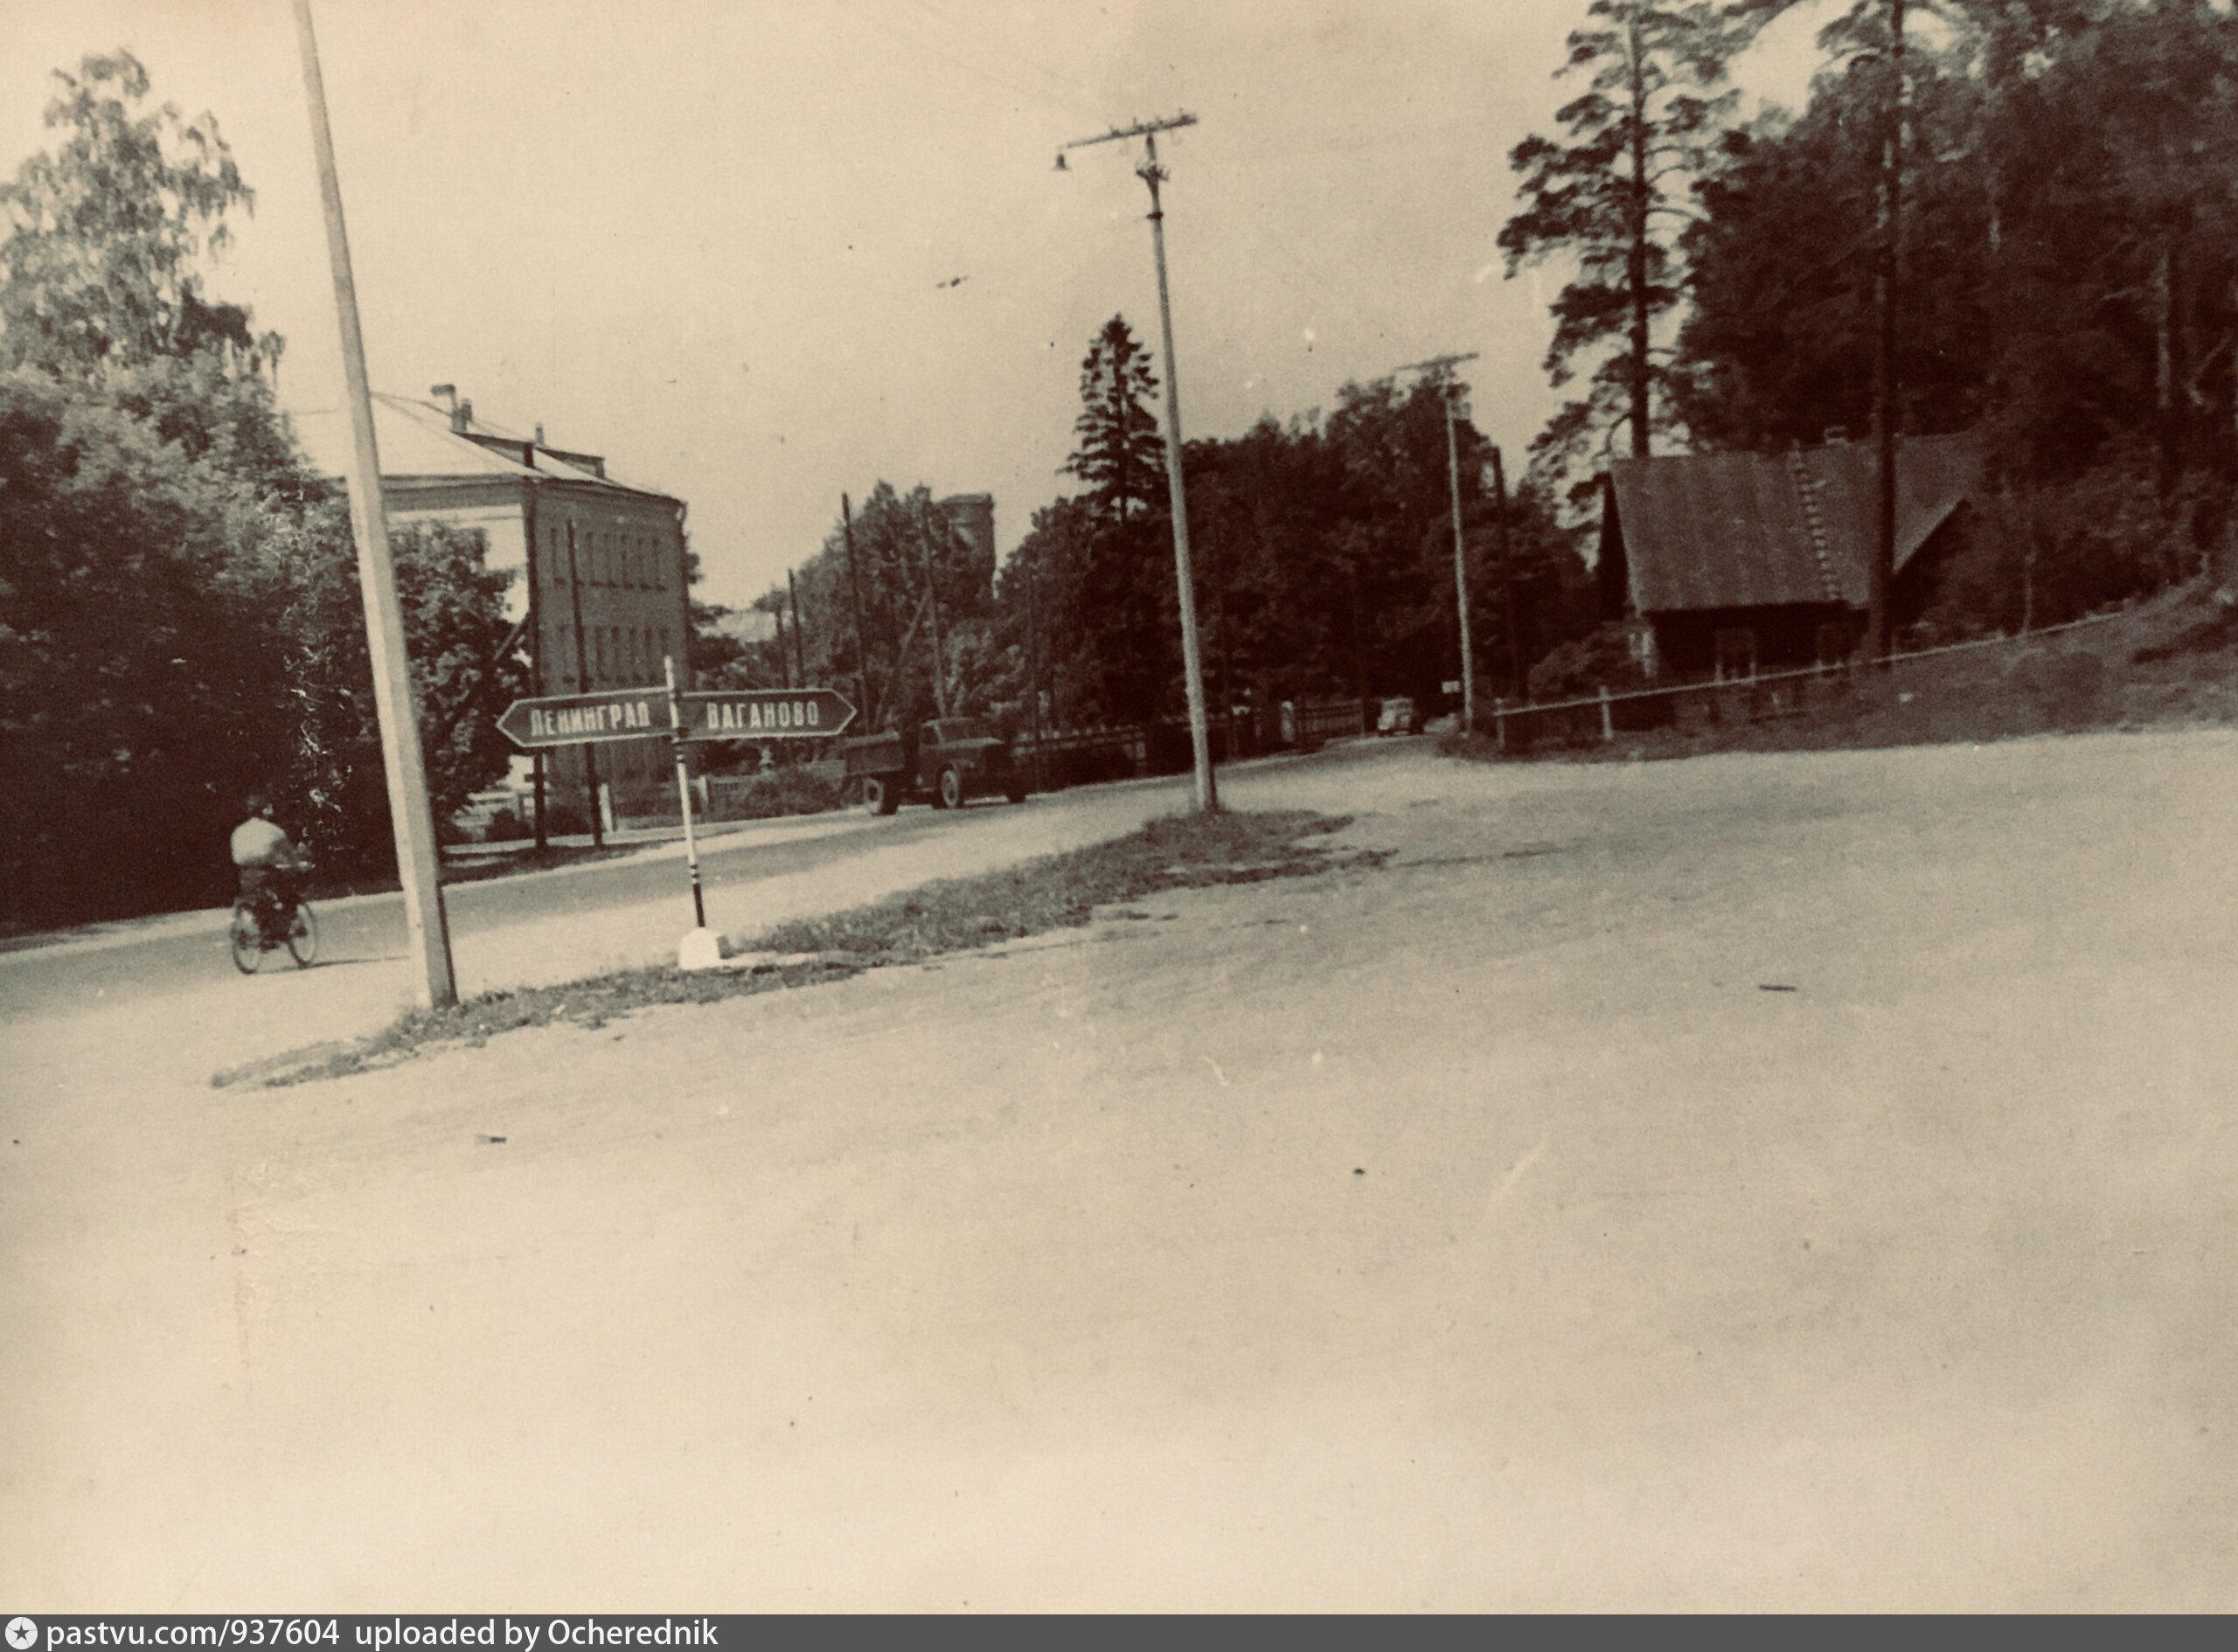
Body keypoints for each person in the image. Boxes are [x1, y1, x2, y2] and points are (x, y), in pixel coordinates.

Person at [231, 793, 306, 931]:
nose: (272, 809)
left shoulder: (239, 831)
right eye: (269, 807)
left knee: (260, 899)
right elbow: (289, 853)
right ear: (264, 810)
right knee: (287, 893)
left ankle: (261, 928)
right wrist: (298, 866)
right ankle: (288, 925)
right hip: (264, 873)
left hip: (244, 875)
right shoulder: (273, 830)